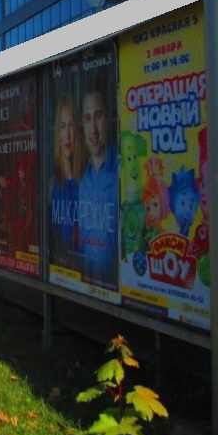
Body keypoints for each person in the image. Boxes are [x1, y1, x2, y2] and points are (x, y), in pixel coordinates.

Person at [78, 76, 118, 290]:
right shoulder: (82, 181)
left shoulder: (123, 172)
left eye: (98, 116)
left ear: (108, 116)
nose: (93, 129)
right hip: (87, 283)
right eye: (87, 118)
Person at [50, 92, 84, 268]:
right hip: (60, 265)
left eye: (71, 125)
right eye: (62, 126)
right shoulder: (51, 183)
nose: (67, 135)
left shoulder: (87, 180)